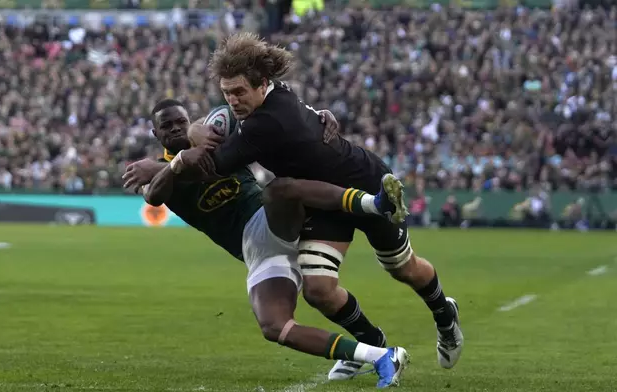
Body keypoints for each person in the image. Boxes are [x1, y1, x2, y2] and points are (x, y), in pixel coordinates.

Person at [174, 33, 464, 379]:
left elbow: (213, 166)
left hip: (365, 180)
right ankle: (372, 344)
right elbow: (230, 126)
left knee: (402, 268)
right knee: (318, 290)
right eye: (226, 92)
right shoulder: (269, 100)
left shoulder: (265, 124)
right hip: (323, 201)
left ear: (262, 84)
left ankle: (445, 316)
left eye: (239, 92)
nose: (232, 100)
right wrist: (200, 129)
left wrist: (192, 135)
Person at [122, 99, 410, 388]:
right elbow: (153, 196)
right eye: (166, 126)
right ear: (155, 134)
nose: (174, 129)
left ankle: (374, 202)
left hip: (271, 219)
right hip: (255, 250)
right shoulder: (156, 171)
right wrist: (176, 165)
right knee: (274, 326)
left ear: (189, 121)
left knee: (279, 190)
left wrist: (312, 116)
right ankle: (379, 353)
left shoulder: (216, 139)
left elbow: (266, 112)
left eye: (179, 122)